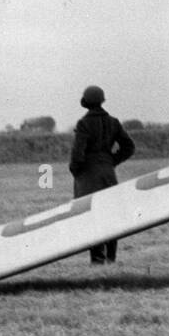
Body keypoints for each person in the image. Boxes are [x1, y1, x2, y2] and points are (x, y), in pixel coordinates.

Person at [70, 85, 136, 264]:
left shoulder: (83, 123)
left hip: (88, 176)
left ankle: (97, 259)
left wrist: (76, 170)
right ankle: (111, 257)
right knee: (111, 215)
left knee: (92, 217)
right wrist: (111, 162)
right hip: (108, 174)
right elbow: (129, 147)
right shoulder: (113, 122)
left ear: (85, 101)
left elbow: (78, 154)